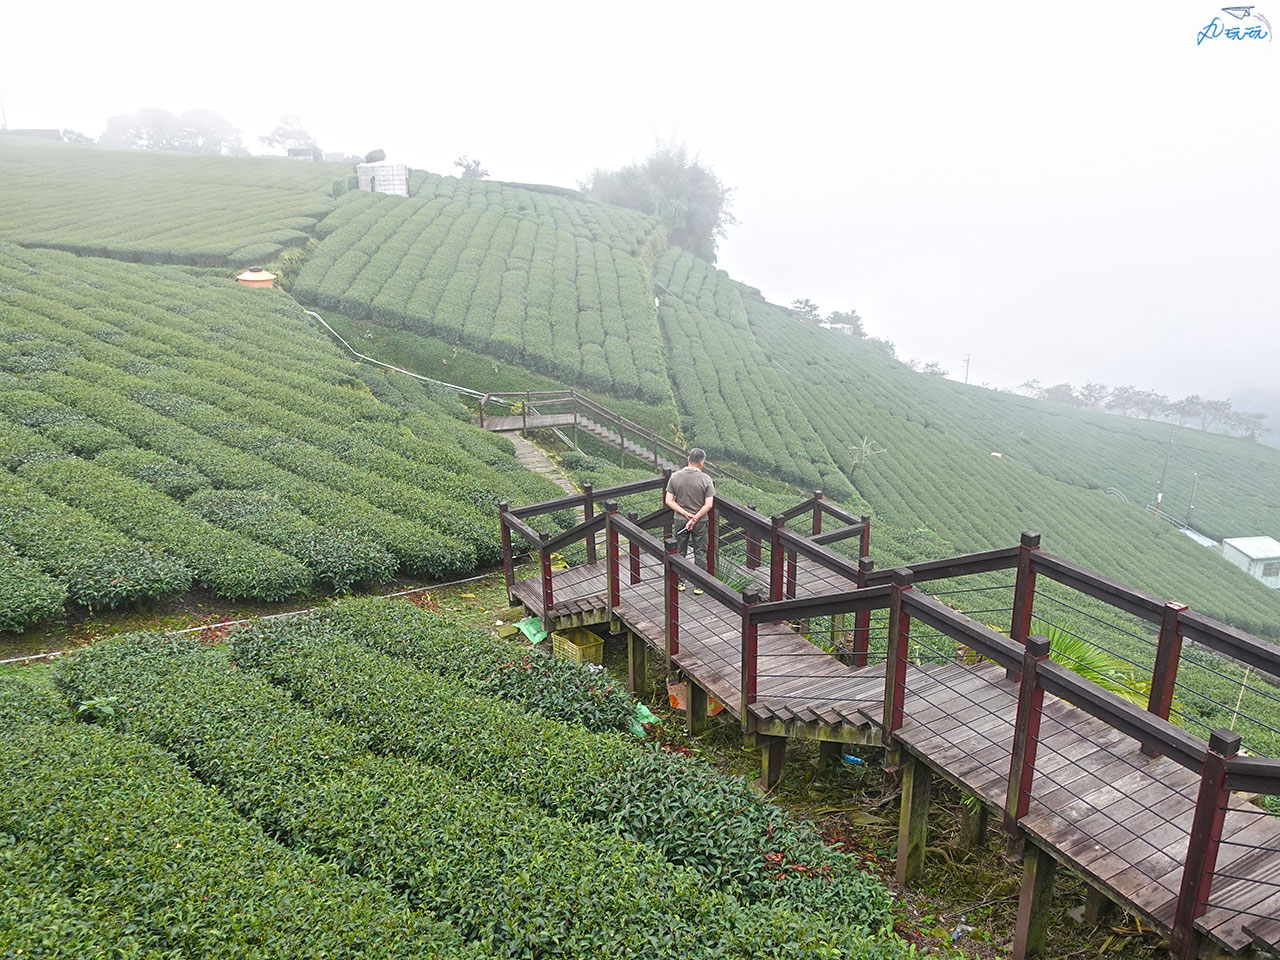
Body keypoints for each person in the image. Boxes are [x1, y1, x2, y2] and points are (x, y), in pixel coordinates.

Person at [665, 448, 715, 594]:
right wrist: (695, 517)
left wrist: (686, 515)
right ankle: (699, 585)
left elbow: (669, 501)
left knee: (680, 551)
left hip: (680, 519)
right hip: (701, 521)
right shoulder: (706, 479)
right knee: (700, 551)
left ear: (688, 459)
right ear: (702, 462)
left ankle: (680, 582)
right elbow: (709, 505)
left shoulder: (675, 477)